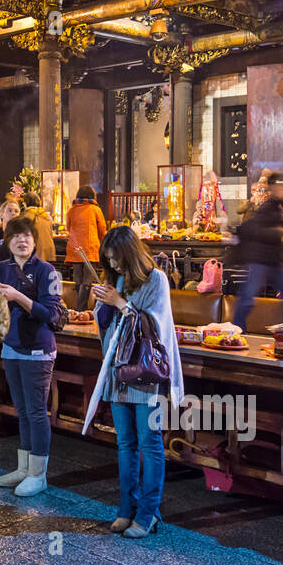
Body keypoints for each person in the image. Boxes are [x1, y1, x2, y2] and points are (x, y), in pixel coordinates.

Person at [87, 225, 185, 538]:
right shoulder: (113, 278)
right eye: (108, 260)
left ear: (130, 254)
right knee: (125, 443)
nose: (113, 266)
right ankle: (125, 510)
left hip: (146, 371)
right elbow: (108, 326)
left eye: (117, 259)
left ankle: (148, 514)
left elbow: (155, 324)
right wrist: (100, 303)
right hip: (118, 369)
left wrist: (119, 303)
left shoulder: (156, 279)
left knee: (149, 442)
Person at [0, 216, 65, 497]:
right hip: (11, 347)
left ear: (34, 241)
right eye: (15, 236)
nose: (22, 241)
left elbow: (51, 314)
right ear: (8, 242)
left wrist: (17, 297)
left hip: (38, 350)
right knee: (21, 411)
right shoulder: (0, 269)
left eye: (27, 237)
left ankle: (38, 474)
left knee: (36, 412)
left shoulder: (47, 271)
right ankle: (23, 468)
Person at [231, 173, 283, 330]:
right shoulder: (267, 207)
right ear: (272, 188)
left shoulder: (277, 205)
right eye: (280, 186)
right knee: (247, 298)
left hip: (272, 261)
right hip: (259, 260)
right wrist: (280, 230)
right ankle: (237, 329)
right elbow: (257, 230)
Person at [66, 185, 108, 311]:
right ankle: (81, 309)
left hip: (75, 249)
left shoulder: (72, 209)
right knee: (87, 280)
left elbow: (68, 227)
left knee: (78, 279)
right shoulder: (95, 209)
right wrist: (102, 243)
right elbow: (102, 229)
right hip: (90, 248)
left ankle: (80, 308)